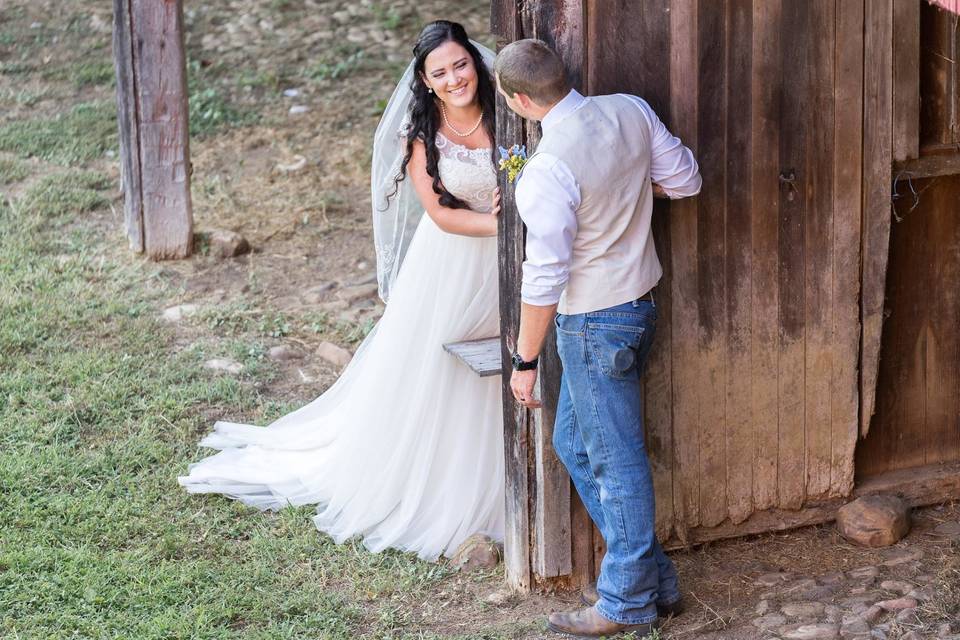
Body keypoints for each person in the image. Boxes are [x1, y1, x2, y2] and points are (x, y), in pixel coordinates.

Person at [179, 21, 505, 562]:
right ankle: (445, 485)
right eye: (439, 72)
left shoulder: (509, 112)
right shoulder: (423, 132)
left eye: (460, 65)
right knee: (442, 367)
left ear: (475, 61)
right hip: (452, 262)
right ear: (424, 82)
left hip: (513, 263)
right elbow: (442, 216)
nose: (454, 79)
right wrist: (509, 222)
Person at [494, 39, 702, 637]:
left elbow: (545, 280)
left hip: (592, 324)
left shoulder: (547, 169)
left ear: (518, 100)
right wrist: (631, 192)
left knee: (615, 463)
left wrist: (524, 359)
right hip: (639, 307)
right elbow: (684, 180)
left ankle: (623, 604)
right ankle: (653, 580)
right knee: (577, 447)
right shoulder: (630, 110)